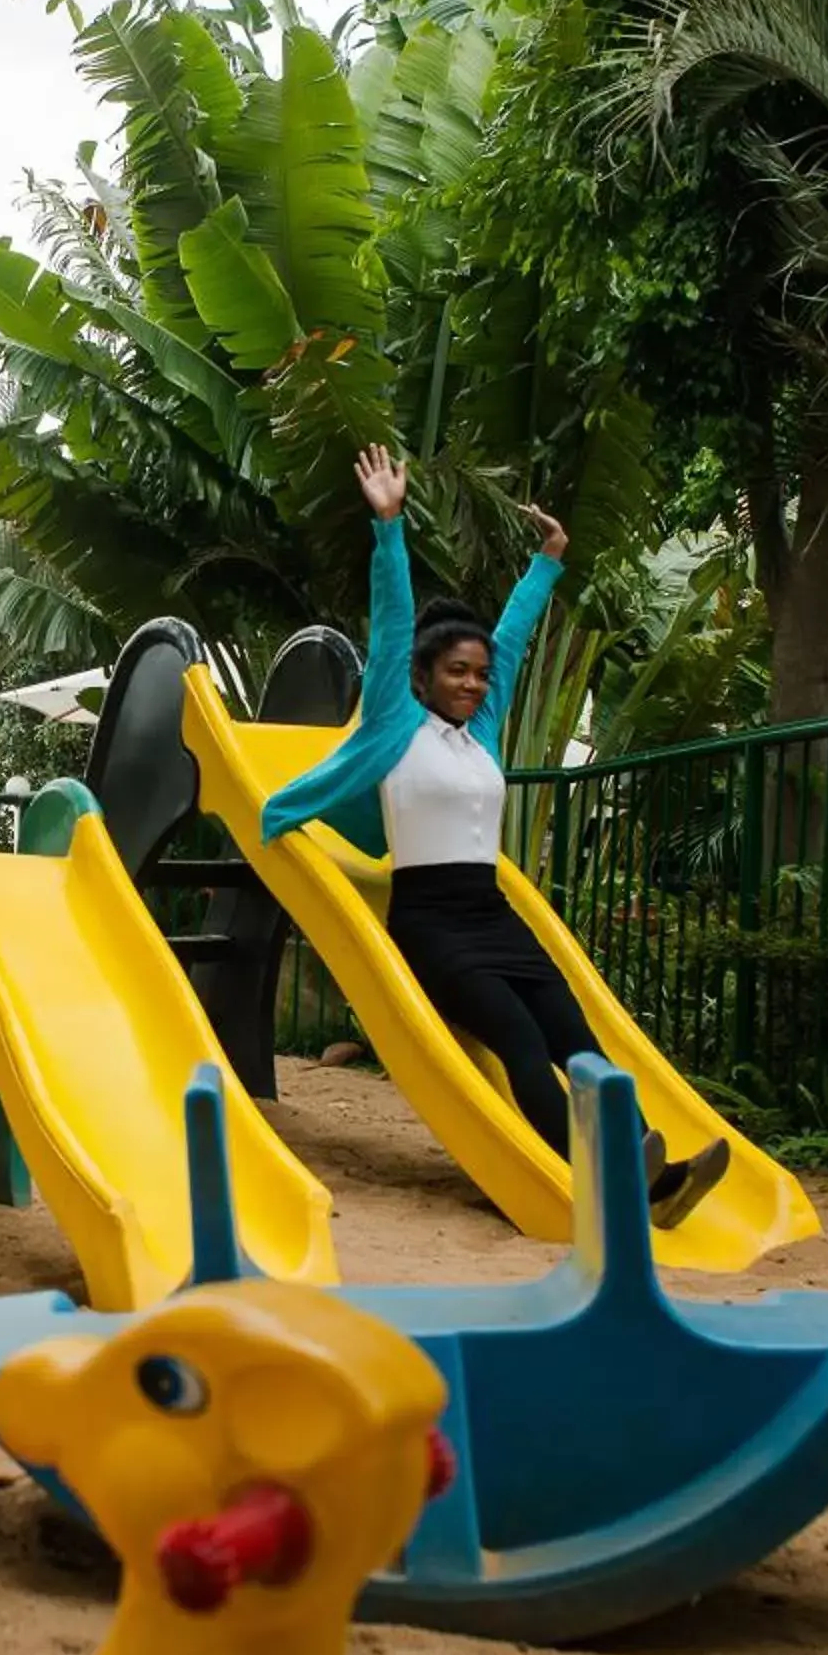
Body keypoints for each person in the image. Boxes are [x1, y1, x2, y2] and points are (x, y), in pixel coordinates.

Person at [261, 442, 730, 1228]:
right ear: (422, 677)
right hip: (431, 921)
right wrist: (389, 527)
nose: (474, 682)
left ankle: (655, 1170)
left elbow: (510, 640)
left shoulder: (480, 735)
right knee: (517, 1037)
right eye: (457, 672)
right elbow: (394, 623)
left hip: (492, 915)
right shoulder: (393, 724)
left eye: (479, 674)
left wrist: (549, 560)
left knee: (574, 1035)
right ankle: (615, 1177)